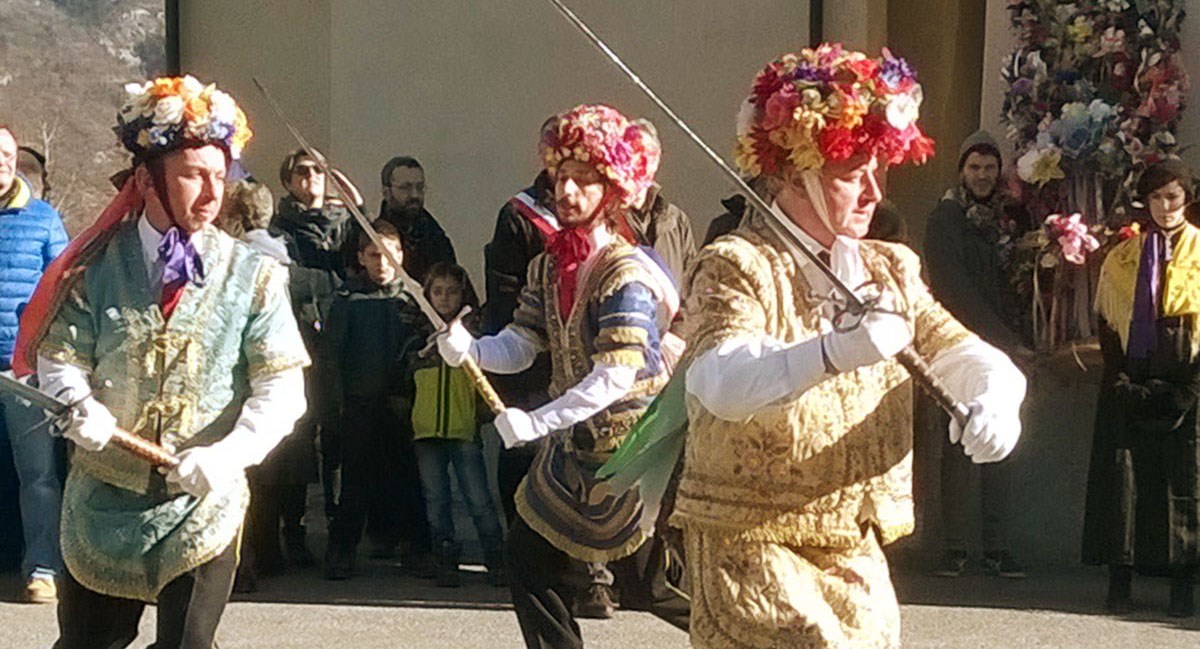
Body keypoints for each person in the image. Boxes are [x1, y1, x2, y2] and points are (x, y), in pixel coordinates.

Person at [671, 45, 1025, 648]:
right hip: (747, 535)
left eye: (876, 171)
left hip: (853, 536)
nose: (871, 192)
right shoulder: (737, 263)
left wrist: (996, 395)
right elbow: (718, 381)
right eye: (849, 174)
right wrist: (833, 352)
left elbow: (953, 345)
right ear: (792, 175)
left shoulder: (889, 267)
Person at [15, 75, 310, 649]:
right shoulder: (94, 268)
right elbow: (60, 357)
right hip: (104, 500)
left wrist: (229, 454)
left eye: (219, 178)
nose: (210, 194)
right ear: (147, 180)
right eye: (193, 176)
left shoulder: (255, 277)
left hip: (203, 502)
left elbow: (282, 387)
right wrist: (79, 405)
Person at [437, 104, 679, 647]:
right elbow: (523, 344)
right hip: (575, 451)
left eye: (584, 180)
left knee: (650, 586)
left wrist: (538, 421)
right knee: (526, 557)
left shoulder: (627, 271)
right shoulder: (547, 265)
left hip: (634, 450)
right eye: (560, 177)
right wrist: (470, 349)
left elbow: (616, 375)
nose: (567, 191)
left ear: (611, 189)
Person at [1085, 159, 1200, 617]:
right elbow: (1108, 322)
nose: (1165, 206)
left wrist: (1189, 387)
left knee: (1185, 479)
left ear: (1186, 198)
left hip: (1186, 379)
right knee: (1124, 478)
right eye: (1155, 198)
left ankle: (1183, 585)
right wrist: (1120, 377)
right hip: (1132, 374)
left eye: (1173, 196)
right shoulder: (1124, 256)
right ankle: (1120, 580)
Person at [924, 130, 1032, 578]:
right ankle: (954, 546)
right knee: (957, 442)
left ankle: (996, 544)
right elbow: (953, 285)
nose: (983, 176)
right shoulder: (947, 218)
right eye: (974, 168)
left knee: (1002, 441)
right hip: (960, 346)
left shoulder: (1011, 219)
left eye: (990, 168)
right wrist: (997, 335)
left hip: (1008, 344)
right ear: (961, 171)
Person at [216, 180, 333, 589]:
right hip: (292, 373)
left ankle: (244, 560)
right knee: (277, 472)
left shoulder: (232, 260)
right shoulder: (291, 263)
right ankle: (272, 549)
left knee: (247, 473)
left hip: (244, 373)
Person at [319, 220, 429, 580]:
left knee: (408, 481)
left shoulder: (414, 300)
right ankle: (342, 550)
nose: (382, 263)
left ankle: (417, 548)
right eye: (373, 255)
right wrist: (333, 411)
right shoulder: (348, 301)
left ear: (400, 255)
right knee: (354, 483)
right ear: (361, 258)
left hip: (404, 407)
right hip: (359, 406)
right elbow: (331, 359)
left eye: (389, 254)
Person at [0, 125, 68, 603]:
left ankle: (44, 566)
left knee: (38, 476)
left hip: (22, 371)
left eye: (4, 155)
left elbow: (63, 289)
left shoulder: (44, 220)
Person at [483, 116, 560, 526]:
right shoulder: (518, 215)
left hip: (579, 359)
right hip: (533, 361)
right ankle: (517, 536)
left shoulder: (601, 213)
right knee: (522, 453)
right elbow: (505, 292)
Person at [411, 262, 505, 588]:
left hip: (464, 428)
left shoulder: (474, 332)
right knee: (436, 499)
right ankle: (445, 558)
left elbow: (486, 379)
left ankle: (496, 558)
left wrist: (482, 413)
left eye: (452, 291)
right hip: (426, 430)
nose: (445, 298)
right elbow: (403, 374)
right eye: (437, 291)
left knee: (478, 498)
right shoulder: (415, 329)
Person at [625, 120, 697, 285]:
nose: (639, 163)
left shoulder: (676, 220)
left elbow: (690, 286)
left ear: (656, 160)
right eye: (632, 154)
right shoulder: (606, 220)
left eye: (647, 155)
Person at [273, 148, 362, 276]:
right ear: (288, 184)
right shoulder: (280, 226)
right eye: (302, 170)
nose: (311, 174)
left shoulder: (345, 221)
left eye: (318, 169)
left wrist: (358, 207)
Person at [378, 156, 456, 283]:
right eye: (405, 187)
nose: (414, 195)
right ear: (386, 192)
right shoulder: (373, 240)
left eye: (419, 187)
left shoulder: (437, 240)